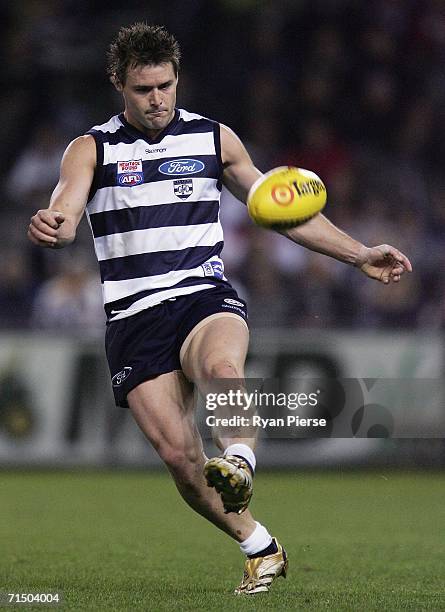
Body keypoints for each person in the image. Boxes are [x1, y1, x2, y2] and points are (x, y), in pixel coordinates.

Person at [27, 23, 412, 595]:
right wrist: (54, 225)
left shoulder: (214, 139)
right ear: (119, 85)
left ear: (177, 78)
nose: (157, 99)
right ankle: (261, 546)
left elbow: (280, 209)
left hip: (203, 296)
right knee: (179, 458)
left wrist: (358, 254)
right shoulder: (93, 148)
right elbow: (66, 202)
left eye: (166, 85)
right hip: (133, 316)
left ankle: (240, 461)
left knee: (223, 369)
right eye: (143, 89)